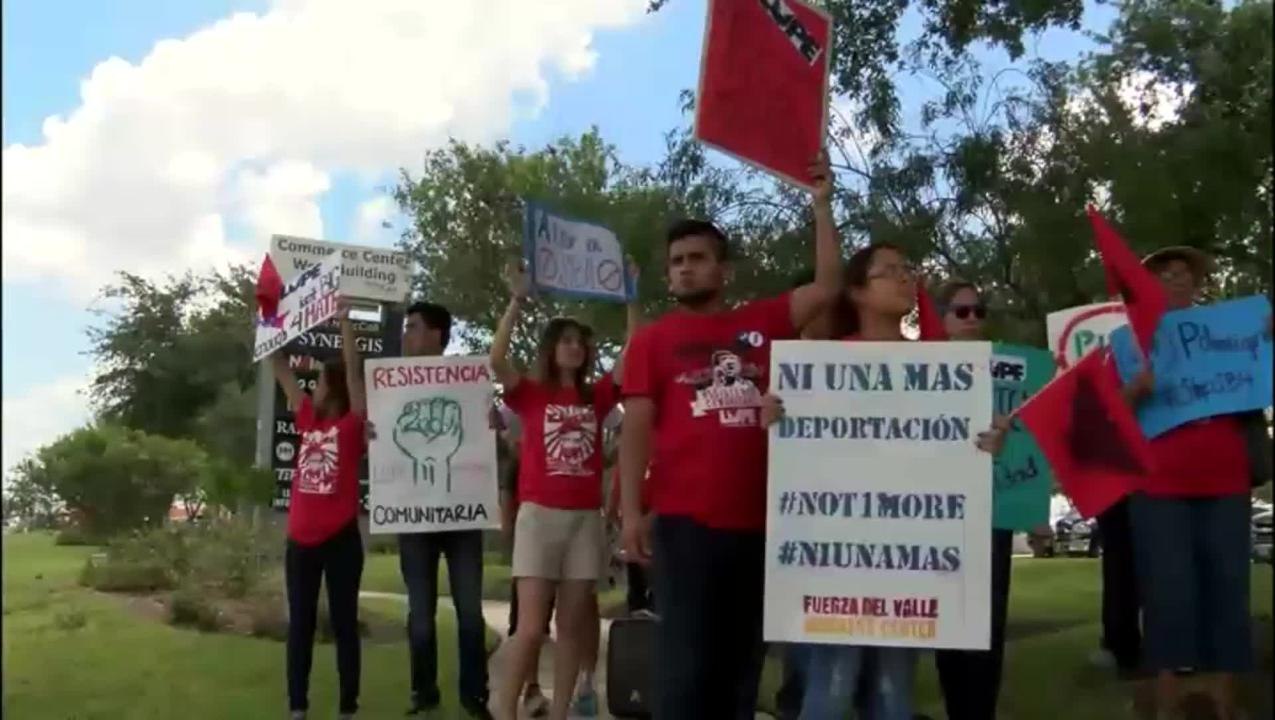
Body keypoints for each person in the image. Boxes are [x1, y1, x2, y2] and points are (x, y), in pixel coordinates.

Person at [618, 152, 842, 719]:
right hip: (686, 524)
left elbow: (828, 287)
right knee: (688, 668)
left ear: (724, 270)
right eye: (677, 261)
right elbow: (637, 429)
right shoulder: (652, 341)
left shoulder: (763, 323)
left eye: (698, 258)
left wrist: (821, 205)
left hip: (765, 525)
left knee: (743, 668)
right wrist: (629, 514)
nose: (686, 268)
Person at [760, 245, 1006, 720]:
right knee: (830, 690)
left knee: (894, 697)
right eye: (887, 272)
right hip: (835, 560)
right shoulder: (818, 365)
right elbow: (801, 455)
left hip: (909, 563)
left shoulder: (941, 366)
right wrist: (775, 416)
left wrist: (987, 442)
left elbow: (949, 454)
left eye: (906, 269)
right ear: (856, 291)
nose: (903, 278)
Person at [492, 260, 640, 720]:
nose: (575, 348)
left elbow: (632, 356)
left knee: (574, 625)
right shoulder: (531, 394)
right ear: (552, 349)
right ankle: (507, 709)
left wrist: (632, 298)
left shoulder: (596, 397)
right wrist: (516, 300)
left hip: (584, 521)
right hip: (539, 517)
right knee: (532, 627)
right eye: (566, 341)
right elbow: (496, 361)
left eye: (581, 342)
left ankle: (560, 712)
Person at [1122, 246, 1258, 720]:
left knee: (1228, 585)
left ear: (1197, 285)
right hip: (1158, 486)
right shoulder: (1127, 340)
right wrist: (1134, 390)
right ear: (1148, 285)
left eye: (1185, 275)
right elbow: (1107, 418)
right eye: (1165, 274)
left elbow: (1257, 373)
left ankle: (1222, 702)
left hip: (1226, 478)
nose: (1177, 281)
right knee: (1167, 591)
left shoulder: (1231, 331)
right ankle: (1165, 703)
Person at [394, 301, 493, 719]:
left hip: (463, 518)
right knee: (420, 613)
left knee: (470, 612)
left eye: (413, 327)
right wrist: (374, 432)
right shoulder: (391, 384)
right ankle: (424, 693)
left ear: (437, 334)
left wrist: (493, 425)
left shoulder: (468, 382)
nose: (406, 335)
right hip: (413, 517)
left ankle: (475, 698)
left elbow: (490, 436)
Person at [270, 298, 367, 720]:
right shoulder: (307, 420)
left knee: (345, 626)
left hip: (340, 539)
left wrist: (345, 322)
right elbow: (279, 367)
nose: (313, 387)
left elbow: (355, 370)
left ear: (335, 386)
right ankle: (297, 707)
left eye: (321, 381)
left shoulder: (351, 426)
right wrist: (267, 322)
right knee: (301, 627)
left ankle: (348, 708)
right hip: (300, 542)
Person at [931, 279, 1014, 720]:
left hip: (992, 516)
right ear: (942, 317)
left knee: (988, 627)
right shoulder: (918, 368)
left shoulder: (1008, 367)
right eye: (961, 312)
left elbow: (1027, 447)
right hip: (936, 520)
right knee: (949, 628)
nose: (972, 319)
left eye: (978, 311)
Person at [494, 407, 552, 718]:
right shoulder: (516, 464)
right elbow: (506, 507)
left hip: (553, 542)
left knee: (538, 624)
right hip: (527, 547)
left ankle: (531, 688)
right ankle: (525, 689)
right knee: (526, 626)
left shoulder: (548, 459)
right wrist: (512, 540)